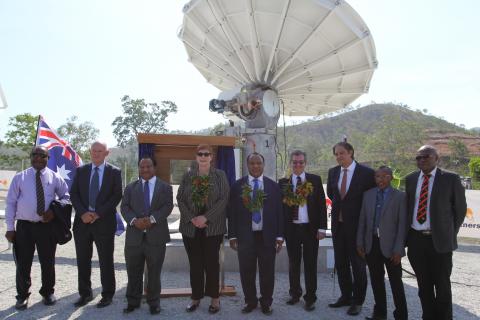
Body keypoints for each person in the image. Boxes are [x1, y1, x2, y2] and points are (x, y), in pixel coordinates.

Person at [405, 145, 466, 320]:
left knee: (443, 287)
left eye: (426, 156)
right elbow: (409, 209)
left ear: (437, 158)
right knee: (423, 286)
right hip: (416, 241)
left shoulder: (450, 179)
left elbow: (460, 210)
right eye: (418, 157)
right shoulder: (410, 179)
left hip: (440, 242)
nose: (421, 160)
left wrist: (448, 233)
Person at [5, 146, 70, 310]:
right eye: (35, 155)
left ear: (48, 158)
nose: (38, 158)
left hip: (46, 227)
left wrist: (54, 212)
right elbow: (11, 202)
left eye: (42, 156)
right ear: (30, 157)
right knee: (23, 263)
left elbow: (66, 197)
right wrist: (10, 227)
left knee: (48, 262)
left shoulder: (55, 177)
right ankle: (22, 296)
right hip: (24, 227)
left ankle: (48, 292)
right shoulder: (20, 177)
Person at [228, 152, 284, 315]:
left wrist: (280, 236)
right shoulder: (237, 186)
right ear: (247, 165)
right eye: (252, 163)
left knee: (267, 271)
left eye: (258, 163)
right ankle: (250, 301)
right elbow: (232, 213)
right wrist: (232, 235)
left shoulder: (273, 186)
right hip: (245, 236)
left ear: (263, 165)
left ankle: (266, 302)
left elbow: (279, 212)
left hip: (267, 237)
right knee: (247, 271)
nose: (255, 166)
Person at [177, 144, 229, 314]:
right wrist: (193, 218)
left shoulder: (220, 175)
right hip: (191, 228)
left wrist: (205, 217)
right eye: (200, 154)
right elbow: (180, 198)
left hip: (212, 227)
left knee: (212, 264)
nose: (204, 156)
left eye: (207, 154)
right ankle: (195, 297)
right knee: (195, 264)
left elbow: (224, 199)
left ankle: (215, 298)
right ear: (196, 156)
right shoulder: (188, 176)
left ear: (211, 157)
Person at [70, 141, 122, 308]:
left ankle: (107, 294)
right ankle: (85, 293)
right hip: (82, 222)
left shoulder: (114, 172)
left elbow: (116, 196)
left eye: (100, 151)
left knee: (106, 260)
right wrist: (83, 213)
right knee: (83, 260)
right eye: (94, 150)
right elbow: (74, 194)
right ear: (90, 152)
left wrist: (98, 213)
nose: (96, 153)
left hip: (104, 222)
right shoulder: (81, 170)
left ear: (107, 153)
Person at [327, 141, 375, 316]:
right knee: (341, 263)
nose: (339, 157)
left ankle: (358, 301)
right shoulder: (332, 172)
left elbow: (371, 200)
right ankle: (345, 296)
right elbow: (332, 196)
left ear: (351, 152)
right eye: (336, 154)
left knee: (358, 265)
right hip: (338, 227)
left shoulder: (367, 173)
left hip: (358, 228)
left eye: (342, 153)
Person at [121, 156, 173, 315]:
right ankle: (133, 301)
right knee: (133, 270)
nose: (145, 169)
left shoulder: (165, 187)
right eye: (141, 167)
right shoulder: (130, 188)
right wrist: (133, 221)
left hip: (156, 237)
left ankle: (153, 302)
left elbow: (167, 207)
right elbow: (125, 208)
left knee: (154, 272)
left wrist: (152, 219)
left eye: (148, 166)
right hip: (134, 237)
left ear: (154, 168)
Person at [278, 150, 327, 311]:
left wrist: (322, 228)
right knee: (294, 263)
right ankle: (294, 294)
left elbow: (321, 205)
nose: (297, 164)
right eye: (294, 162)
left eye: (300, 162)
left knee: (310, 264)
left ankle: (310, 298)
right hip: (292, 229)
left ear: (305, 163)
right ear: (290, 163)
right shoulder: (283, 183)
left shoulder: (314, 180)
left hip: (310, 229)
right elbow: (280, 209)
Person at [357, 166, 408, 320]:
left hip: (391, 247)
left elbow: (402, 225)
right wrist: (360, 242)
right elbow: (362, 221)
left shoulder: (400, 196)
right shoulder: (368, 195)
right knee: (376, 281)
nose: (381, 179)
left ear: (391, 177)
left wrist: (399, 249)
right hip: (372, 244)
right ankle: (379, 314)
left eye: (385, 176)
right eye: (378, 176)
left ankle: (401, 315)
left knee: (396, 283)